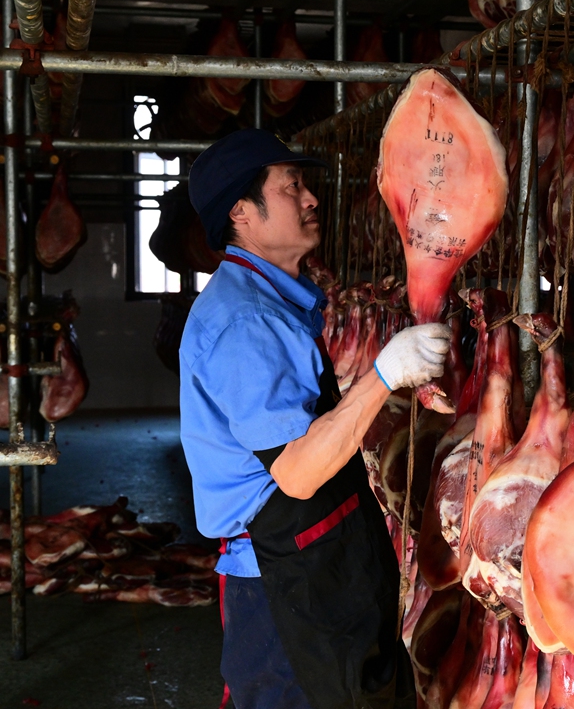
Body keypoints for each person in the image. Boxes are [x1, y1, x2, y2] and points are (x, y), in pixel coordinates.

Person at [179, 128, 450, 709]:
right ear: (241, 213)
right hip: (282, 581)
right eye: (291, 187)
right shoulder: (244, 322)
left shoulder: (269, 301)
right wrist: (382, 376)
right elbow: (297, 474)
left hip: (312, 562)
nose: (311, 199)